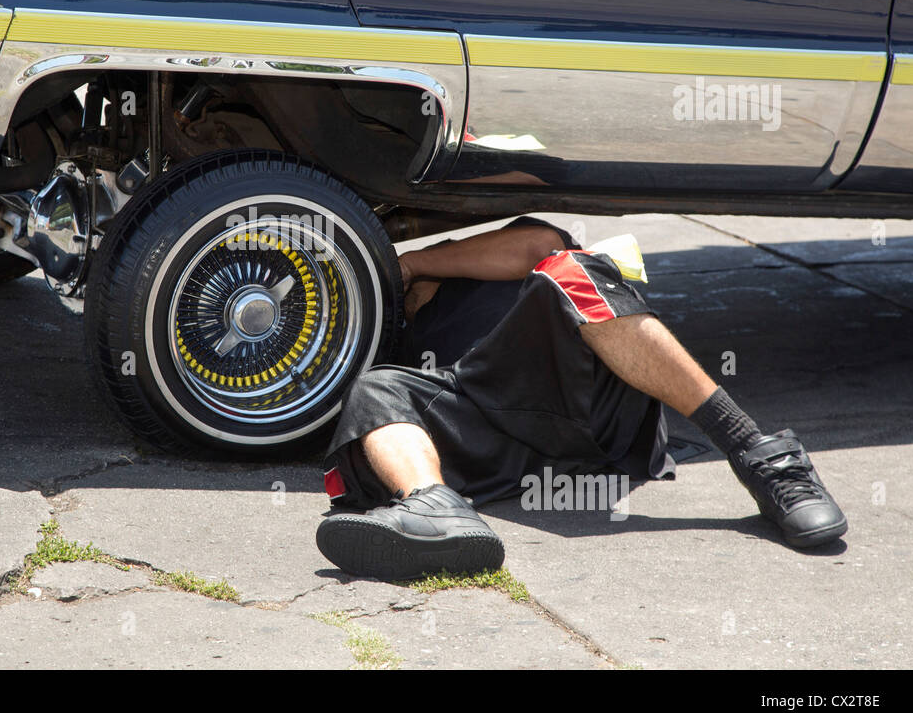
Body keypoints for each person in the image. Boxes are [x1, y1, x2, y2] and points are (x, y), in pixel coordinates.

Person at [315, 217, 848, 581]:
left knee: (571, 270)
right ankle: (434, 508)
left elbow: (539, 242)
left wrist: (411, 263)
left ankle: (762, 457)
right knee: (375, 388)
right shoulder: (410, 345)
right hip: (497, 440)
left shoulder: (493, 269)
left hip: (588, 403)